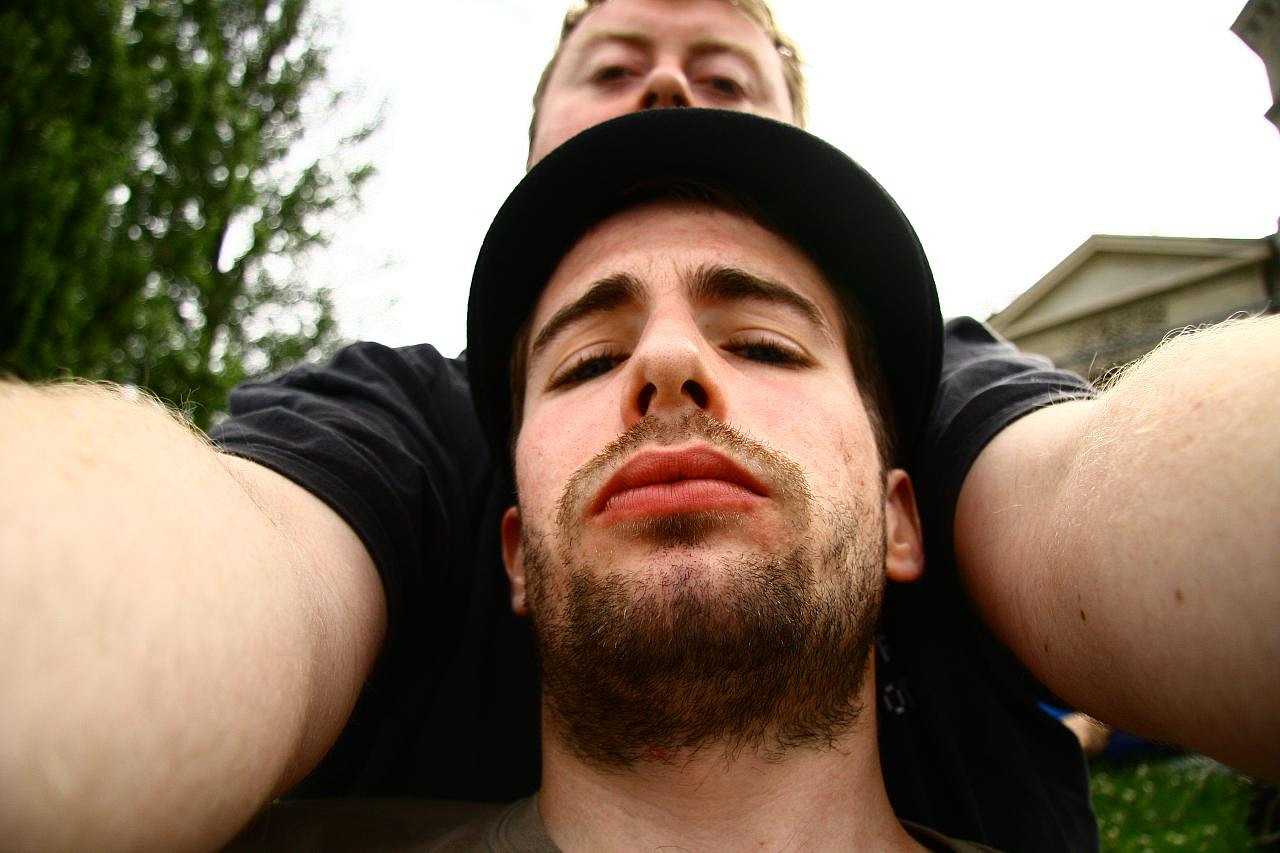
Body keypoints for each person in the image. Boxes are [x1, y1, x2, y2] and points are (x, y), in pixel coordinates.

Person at [1, 1, 1277, 850]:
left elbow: (1092, 486)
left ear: (902, 509)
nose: (668, 363)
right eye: (613, 68)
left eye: (764, 341)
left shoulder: (937, 393)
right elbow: (225, 555)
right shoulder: (390, 421)